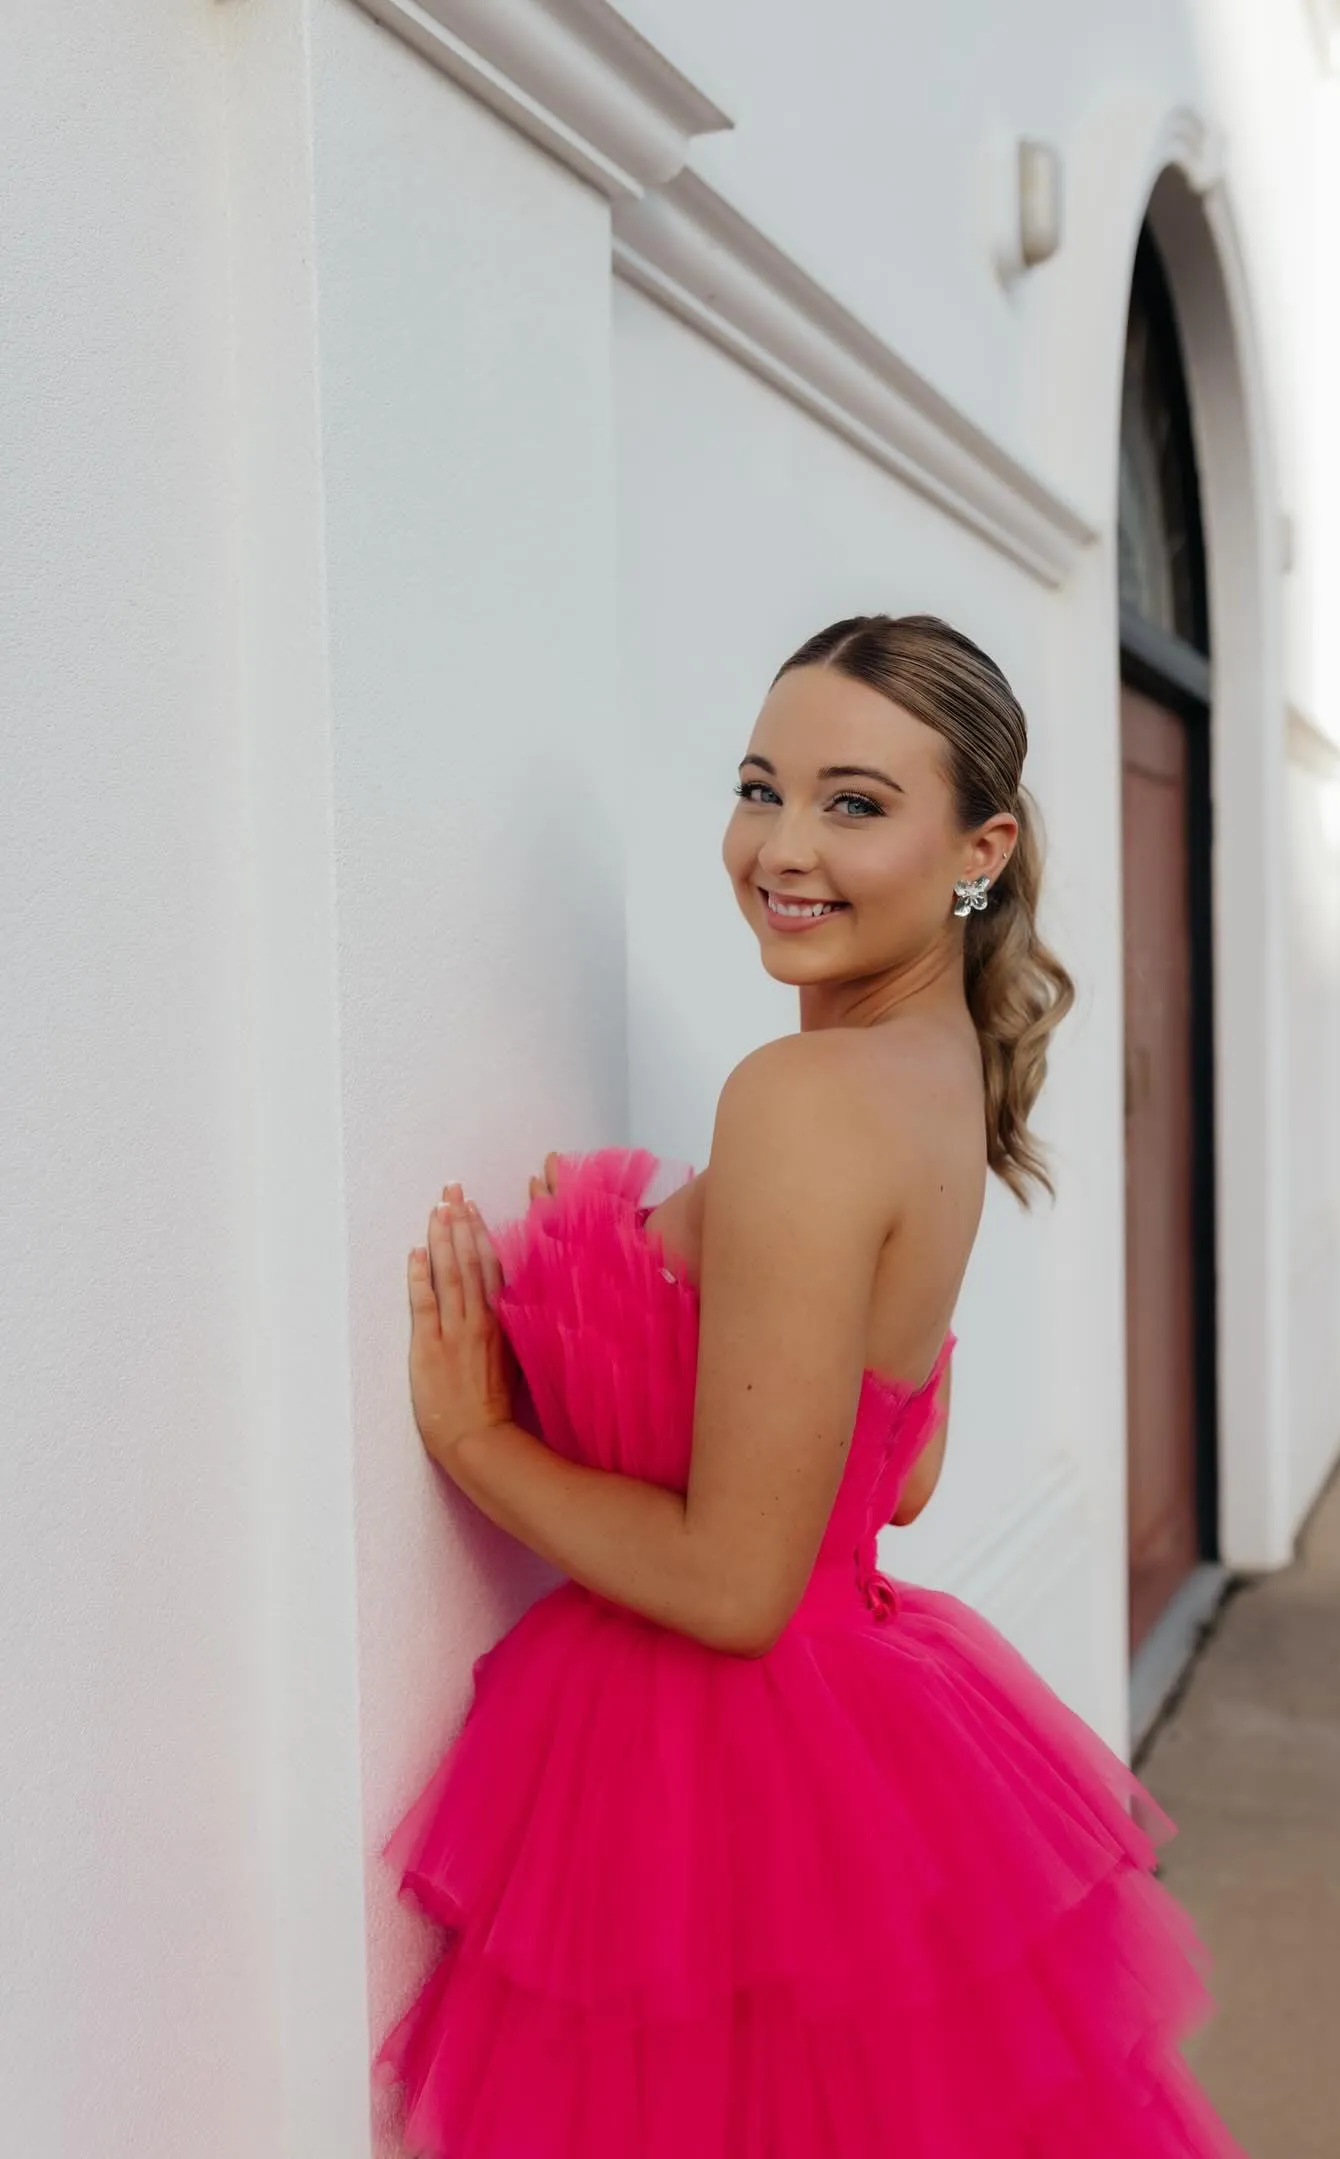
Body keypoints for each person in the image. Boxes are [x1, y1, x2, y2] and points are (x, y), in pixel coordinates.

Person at [374, 613, 1249, 2156]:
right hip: (845, 1755)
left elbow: (732, 1584)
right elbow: (893, 1469)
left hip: (710, 1777)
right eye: (760, 785)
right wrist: (659, 1266)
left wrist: (474, 1434)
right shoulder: (940, 1072)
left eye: (854, 801)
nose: (781, 845)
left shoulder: (803, 1098)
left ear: (978, 848)